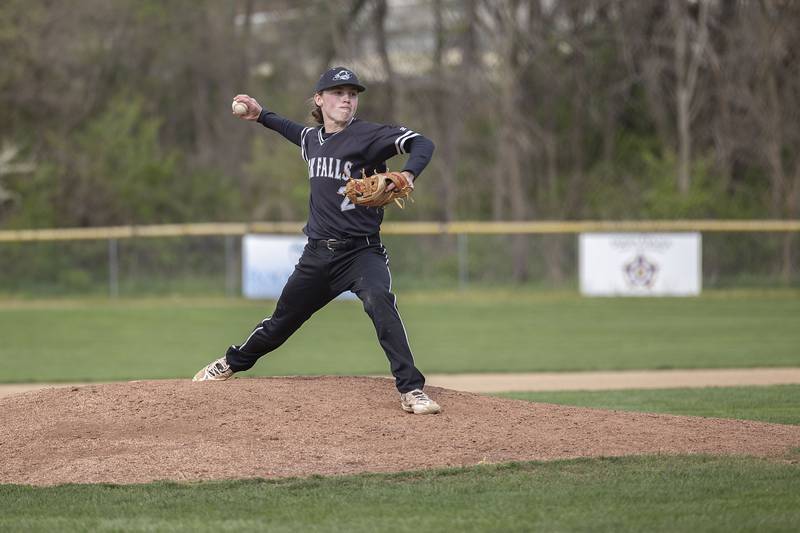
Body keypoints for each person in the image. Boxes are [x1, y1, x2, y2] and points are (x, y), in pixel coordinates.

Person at [193, 67, 440, 415]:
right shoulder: (311, 140)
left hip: (362, 251)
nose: (347, 99)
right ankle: (230, 363)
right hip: (318, 256)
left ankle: (412, 389)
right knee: (281, 324)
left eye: (352, 94)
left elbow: (422, 143)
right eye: (338, 93)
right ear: (319, 100)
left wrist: (406, 173)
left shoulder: (369, 135)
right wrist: (261, 115)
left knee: (380, 301)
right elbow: (291, 129)